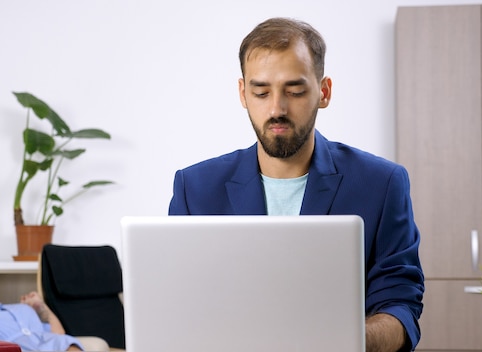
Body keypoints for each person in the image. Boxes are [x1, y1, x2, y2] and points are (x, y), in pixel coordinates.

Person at [168, 17, 424, 352]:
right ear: (243, 94)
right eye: (261, 92)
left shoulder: (383, 183)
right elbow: (178, 305)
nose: (276, 109)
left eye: (295, 91)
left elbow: (400, 307)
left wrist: (345, 341)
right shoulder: (194, 188)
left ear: (324, 92)